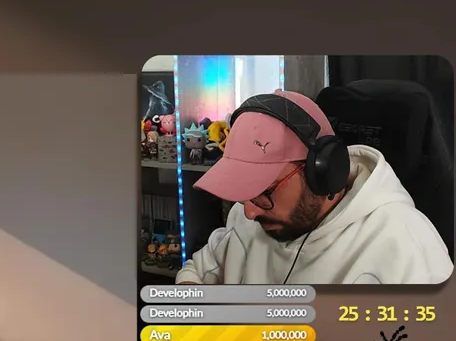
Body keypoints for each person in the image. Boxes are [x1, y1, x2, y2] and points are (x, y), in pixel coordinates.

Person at [176, 89, 453, 285]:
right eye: (244, 190)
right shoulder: (250, 216)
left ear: (320, 171)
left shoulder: (407, 248)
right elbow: (198, 270)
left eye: (264, 191)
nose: (248, 211)